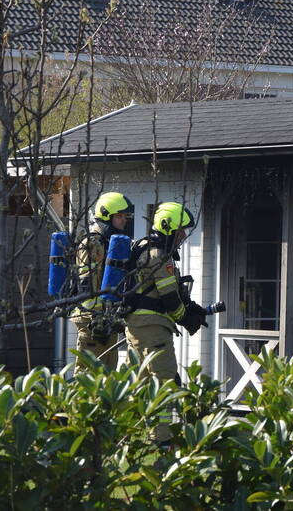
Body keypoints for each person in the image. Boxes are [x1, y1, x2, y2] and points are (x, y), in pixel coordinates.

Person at [124, 201, 204, 445]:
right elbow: (169, 299)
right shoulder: (158, 256)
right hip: (153, 328)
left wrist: (190, 308)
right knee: (164, 380)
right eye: (180, 231)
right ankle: (161, 439)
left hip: (137, 326)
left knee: (138, 382)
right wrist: (186, 318)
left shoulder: (144, 248)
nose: (183, 236)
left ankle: (125, 435)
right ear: (168, 227)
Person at [72, 191, 134, 373]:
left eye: (125, 216)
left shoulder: (109, 243)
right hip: (93, 320)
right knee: (87, 375)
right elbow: (86, 285)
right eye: (120, 216)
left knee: (108, 375)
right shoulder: (92, 243)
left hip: (107, 318)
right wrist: (97, 316)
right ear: (107, 215)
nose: (124, 220)